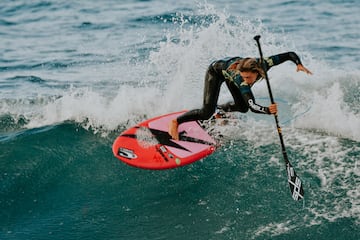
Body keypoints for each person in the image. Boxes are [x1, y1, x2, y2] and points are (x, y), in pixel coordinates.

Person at [168, 52, 312, 140]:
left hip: (229, 74)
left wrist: (298, 64)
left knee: (242, 108)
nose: (246, 81)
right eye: (244, 77)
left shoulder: (264, 63)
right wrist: (268, 110)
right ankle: (176, 122)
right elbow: (253, 105)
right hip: (215, 72)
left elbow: (288, 55)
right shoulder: (241, 80)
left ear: (257, 71)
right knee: (206, 113)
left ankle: (220, 110)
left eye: (249, 77)